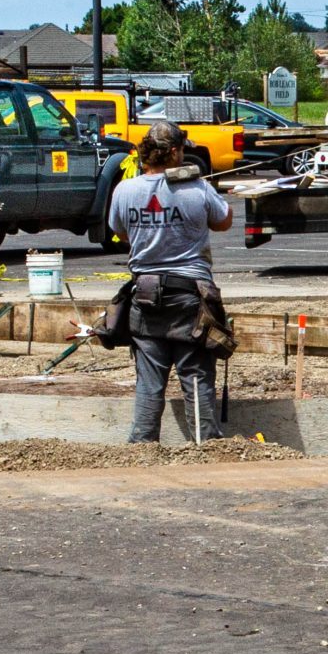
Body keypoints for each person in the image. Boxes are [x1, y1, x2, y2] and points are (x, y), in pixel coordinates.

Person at [107, 122, 234, 443]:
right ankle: (205, 448)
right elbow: (224, 221)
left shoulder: (125, 190)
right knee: (196, 376)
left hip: (146, 298)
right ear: (175, 151)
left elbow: (121, 232)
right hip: (190, 299)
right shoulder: (197, 189)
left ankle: (142, 450)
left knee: (149, 383)